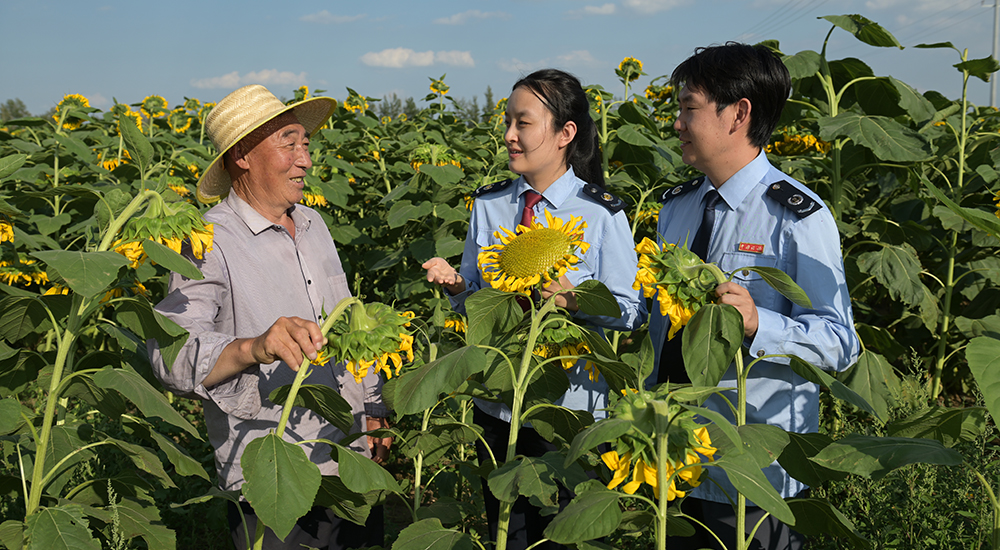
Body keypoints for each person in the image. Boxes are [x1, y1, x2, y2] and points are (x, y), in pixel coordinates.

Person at [147, 84, 391, 550]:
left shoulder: (315, 225)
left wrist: (374, 410)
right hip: (275, 469)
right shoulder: (209, 240)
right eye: (289, 143)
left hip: (347, 458)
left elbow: (347, 326)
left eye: (306, 144)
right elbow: (170, 354)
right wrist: (254, 347)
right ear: (243, 155)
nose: (306, 160)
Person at [648, 43, 860, 550]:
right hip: (672, 455)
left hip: (751, 475)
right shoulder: (676, 208)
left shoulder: (795, 216)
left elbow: (839, 342)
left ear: (737, 114)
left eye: (689, 108)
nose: (677, 123)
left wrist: (758, 324)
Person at [423, 69, 645, 550]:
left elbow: (631, 310)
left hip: (566, 406)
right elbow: (480, 297)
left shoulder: (601, 213)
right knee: (506, 528)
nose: (508, 135)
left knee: (560, 533)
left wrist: (575, 299)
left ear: (566, 133)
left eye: (522, 123)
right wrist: (458, 285)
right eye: (508, 122)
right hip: (496, 399)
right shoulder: (490, 206)